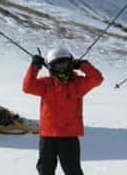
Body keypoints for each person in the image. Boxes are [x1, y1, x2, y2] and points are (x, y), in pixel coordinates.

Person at [22, 46, 104, 175]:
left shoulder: (78, 83)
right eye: (57, 65)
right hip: (48, 136)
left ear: (70, 64)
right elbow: (28, 87)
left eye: (64, 64)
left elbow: (97, 79)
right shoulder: (46, 84)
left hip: (69, 136)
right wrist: (34, 67)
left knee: (73, 171)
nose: (61, 68)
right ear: (51, 67)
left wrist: (83, 65)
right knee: (45, 170)